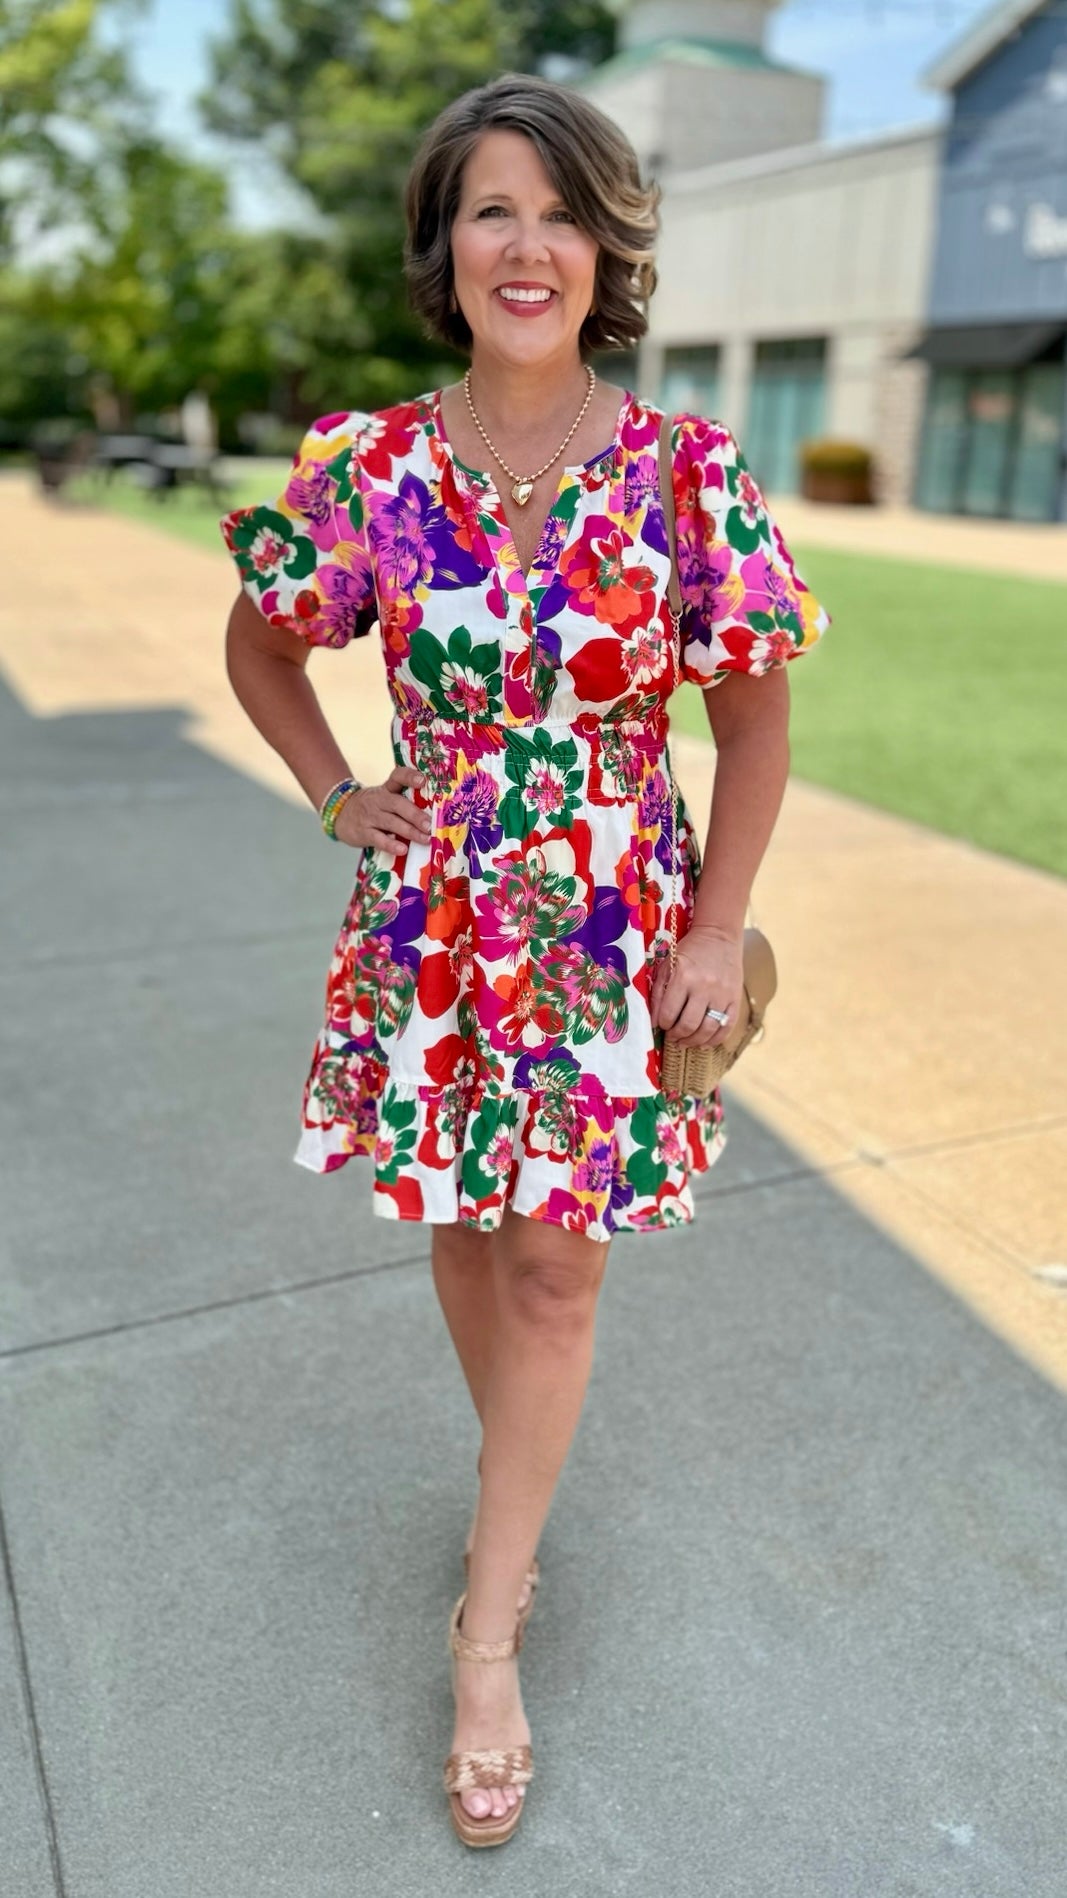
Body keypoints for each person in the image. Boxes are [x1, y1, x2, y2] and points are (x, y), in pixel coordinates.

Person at [220, 70, 829, 1847]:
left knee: (558, 1270)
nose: (529, 243)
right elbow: (264, 654)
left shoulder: (686, 477)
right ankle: (521, 1499)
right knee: (470, 1238)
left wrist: (717, 923)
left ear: (605, 248)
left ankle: (487, 1630)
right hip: (430, 931)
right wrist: (346, 795)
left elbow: (759, 727)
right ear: (448, 241)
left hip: (610, 929)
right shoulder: (369, 472)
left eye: (562, 212)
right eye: (495, 208)